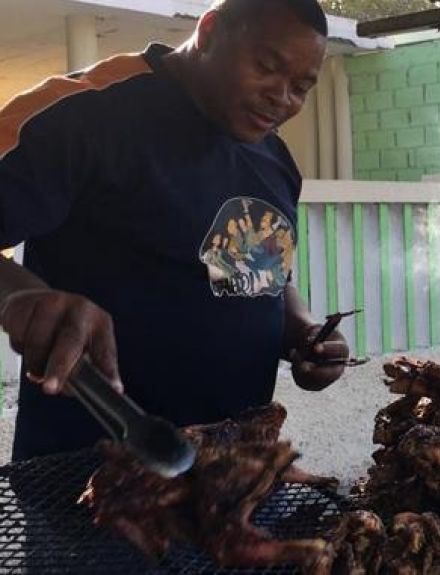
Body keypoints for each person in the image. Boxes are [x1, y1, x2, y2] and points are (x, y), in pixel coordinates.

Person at [0, 0, 350, 461]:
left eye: (301, 87)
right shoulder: (81, 111)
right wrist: (21, 298)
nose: (282, 98)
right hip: (88, 475)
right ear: (208, 32)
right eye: (267, 67)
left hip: (234, 474)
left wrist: (304, 331)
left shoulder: (275, 161)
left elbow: (267, 273)